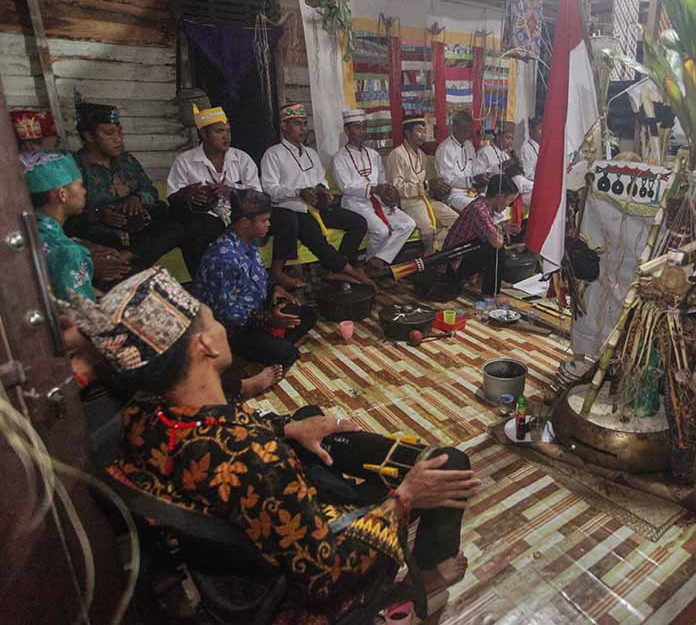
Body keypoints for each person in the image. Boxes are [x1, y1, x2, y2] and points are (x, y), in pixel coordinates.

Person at [65, 267, 476, 619]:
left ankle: (343, 472)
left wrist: (286, 428)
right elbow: (326, 575)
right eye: (213, 320)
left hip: (240, 541)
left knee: (308, 414)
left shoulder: (143, 414)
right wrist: (405, 498)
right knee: (449, 463)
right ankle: (415, 583)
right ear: (205, 346)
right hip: (302, 585)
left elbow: (229, 437)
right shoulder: (256, 459)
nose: (221, 327)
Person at [191, 189, 317, 370]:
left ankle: (268, 348)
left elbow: (257, 277)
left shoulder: (250, 242)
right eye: (264, 220)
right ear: (245, 223)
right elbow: (226, 314)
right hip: (229, 329)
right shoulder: (224, 258)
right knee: (287, 354)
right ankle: (249, 357)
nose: (269, 224)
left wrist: (274, 289)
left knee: (308, 315)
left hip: (254, 312)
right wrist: (269, 319)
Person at [260, 103, 371, 289]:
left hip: (317, 207)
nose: (303, 128)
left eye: (305, 124)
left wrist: (322, 189)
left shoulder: (311, 153)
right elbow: (270, 189)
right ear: (284, 126)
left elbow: (321, 179)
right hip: (292, 209)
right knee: (314, 235)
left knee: (358, 222)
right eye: (297, 124)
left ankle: (340, 267)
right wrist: (298, 192)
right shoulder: (273, 154)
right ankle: (348, 271)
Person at [68, 102, 188, 273]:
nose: (118, 139)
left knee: (176, 224)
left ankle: (125, 258)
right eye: (109, 133)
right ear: (89, 136)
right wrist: (99, 214)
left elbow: (150, 191)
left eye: (120, 131)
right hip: (99, 234)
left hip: (136, 232)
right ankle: (126, 266)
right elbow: (65, 212)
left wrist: (137, 198)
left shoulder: (127, 161)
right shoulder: (73, 167)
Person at [166, 104, 261, 276]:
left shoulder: (241, 158)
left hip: (239, 217)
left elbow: (259, 195)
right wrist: (188, 194)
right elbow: (172, 198)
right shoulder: (185, 161)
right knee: (193, 231)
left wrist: (231, 191)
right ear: (204, 134)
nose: (226, 136)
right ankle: (204, 283)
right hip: (204, 221)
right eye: (219, 131)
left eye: (228, 131)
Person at [332, 109, 416, 274]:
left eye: (364, 127)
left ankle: (375, 261)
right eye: (357, 127)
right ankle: (375, 267)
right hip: (355, 203)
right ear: (347, 130)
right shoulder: (339, 157)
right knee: (381, 231)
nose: (362, 131)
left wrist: (388, 192)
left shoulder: (373, 154)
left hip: (378, 200)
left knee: (408, 224)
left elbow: (382, 180)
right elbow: (345, 187)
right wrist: (373, 189)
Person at [22, 151, 95, 301]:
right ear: (62, 195)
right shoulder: (67, 251)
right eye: (80, 185)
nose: (84, 191)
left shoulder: (22, 232)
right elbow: (81, 311)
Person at [387, 112, 458, 256]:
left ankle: (436, 252)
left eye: (425, 131)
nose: (423, 134)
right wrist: (426, 186)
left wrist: (438, 188)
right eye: (419, 130)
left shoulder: (422, 155)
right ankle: (429, 259)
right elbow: (397, 188)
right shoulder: (397, 154)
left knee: (456, 221)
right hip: (408, 202)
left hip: (426, 199)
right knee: (428, 230)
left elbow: (427, 184)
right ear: (407, 133)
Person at [440, 174, 520, 298]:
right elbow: (496, 243)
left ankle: (482, 282)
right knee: (496, 250)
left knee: (492, 244)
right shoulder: (479, 209)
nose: (508, 205)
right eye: (509, 200)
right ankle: (490, 294)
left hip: (462, 257)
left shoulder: (483, 205)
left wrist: (503, 227)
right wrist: (500, 229)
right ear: (500, 197)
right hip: (452, 264)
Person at [474, 122, 532, 207]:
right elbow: (478, 177)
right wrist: (500, 167)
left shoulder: (505, 155)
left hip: (507, 192)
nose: (510, 141)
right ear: (498, 136)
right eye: (508, 138)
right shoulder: (485, 151)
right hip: (491, 193)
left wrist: (515, 169)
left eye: (512, 139)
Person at [434, 111, 481, 212]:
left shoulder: (469, 146)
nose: (468, 130)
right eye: (464, 127)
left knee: (490, 203)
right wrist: (471, 180)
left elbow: (474, 170)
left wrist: (482, 176)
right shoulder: (445, 148)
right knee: (478, 208)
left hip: (471, 192)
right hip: (453, 194)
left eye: (469, 127)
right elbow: (447, 180)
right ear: (454, 127)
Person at [519, 116, 541, 183]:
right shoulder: (526, 148)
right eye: (540, 128)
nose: (543, 132)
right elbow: (528, 174)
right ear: (531, 130)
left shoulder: (541, 147)